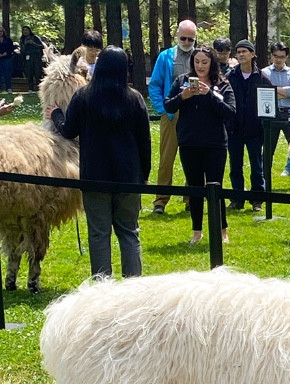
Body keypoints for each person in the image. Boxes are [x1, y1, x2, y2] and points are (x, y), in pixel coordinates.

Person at [44, 47, 150, 279]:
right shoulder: (135, 98)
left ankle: (102, 286)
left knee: (99, 234)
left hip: (94, 177)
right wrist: (144, 175)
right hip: (128, 177)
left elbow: (68, 131)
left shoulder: (83, 96)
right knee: (129, 232)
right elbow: (144, 142)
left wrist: (57, 114)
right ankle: (134, 284)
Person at [164, 46, 236, 244]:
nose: (200, 66)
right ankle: (197, 231)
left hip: (215, 144)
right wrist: (183, 96)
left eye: (205, 62)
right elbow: (168, 105)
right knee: (194, 187)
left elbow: (230, 111)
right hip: (189, 143)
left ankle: (222, 230)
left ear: (212, 63)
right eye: (197, 62)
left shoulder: (222, 84)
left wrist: (210, 95)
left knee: (215, 187)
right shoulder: (182, 81)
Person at [148, 20, 197, 215]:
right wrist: (163, 110)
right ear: (177, 35)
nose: (186, 42)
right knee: (166, 159)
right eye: (183, 38)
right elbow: (155, 85)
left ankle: (192, 198)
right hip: (171, 113)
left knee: (193, 158)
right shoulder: (165, 56)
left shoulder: (200, 56)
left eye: (190, 39)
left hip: (194, 114)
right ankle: (160, 200)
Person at [225, 39, 273, 212]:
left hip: (255, 130)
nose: (241, 55)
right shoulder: (230, 77)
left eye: (244, 51)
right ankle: (237, 199)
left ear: (253, 54)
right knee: (235, 165)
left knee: (256, 166)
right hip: (234, 129)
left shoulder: (262, 78)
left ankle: (257, 200)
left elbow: (269, 102)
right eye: (238, 52)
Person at [263, 41, 290, 178]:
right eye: (275, 56)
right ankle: (264, 179)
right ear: (271, 56)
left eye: (281, 56)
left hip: (288, 113)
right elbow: (263, 93)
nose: (278, 59)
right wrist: (286, 92)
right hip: (270, 113)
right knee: (268, 149)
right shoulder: (264, 72)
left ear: (286, 57)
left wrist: (273, 90)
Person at [20, 26, 44, 92]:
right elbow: (22, 50)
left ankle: (39, 88)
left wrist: (33, 43)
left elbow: (42, 46)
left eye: (26, 30)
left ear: (29, 31)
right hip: (27, 58)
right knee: (29, 73)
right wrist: (25, 44)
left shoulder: (35, 37)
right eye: (23, 30)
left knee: (37, 73)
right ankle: (30, 88)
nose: (25, 31)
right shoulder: (22, 39)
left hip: (36, 57)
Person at [0, 28, 15, 93]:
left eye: (1, 31)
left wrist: (6, 53)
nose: (0, 33)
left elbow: (11, 48)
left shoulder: (8, 40)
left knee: (7, 73)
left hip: (7, 58)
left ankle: (8, 88)